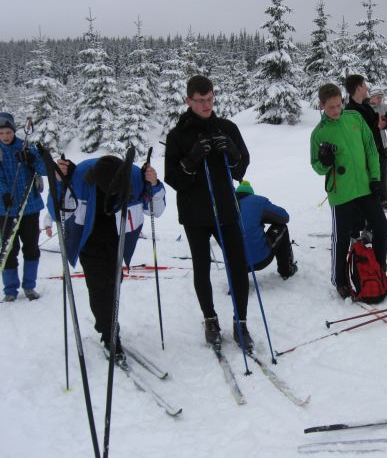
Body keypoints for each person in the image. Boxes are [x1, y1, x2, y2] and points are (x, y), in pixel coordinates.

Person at [164, 75, 252, 350]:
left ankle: (241, 322)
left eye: (210, 99)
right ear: (188, 101)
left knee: (237, 264)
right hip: (195, 212)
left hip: (225, 207)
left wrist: (234, 154)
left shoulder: (227, 127)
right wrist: (190, 162)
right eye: (200, 101)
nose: (206, 105)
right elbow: (173, 179)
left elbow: (241, 169)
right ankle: (210, 319)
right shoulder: (177, 135)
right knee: (201, 266)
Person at [51, 155, 165, 358]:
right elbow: (55, 211)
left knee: (113, 283)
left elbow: (156, 211)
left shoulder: (135, 176)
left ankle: (109, 322)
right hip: (89, 238)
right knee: (99, 287)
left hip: (117, 239)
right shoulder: (80, 176)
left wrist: (154, 184)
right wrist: (58, 184)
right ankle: (109, 333)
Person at [310, 83, 387, 299]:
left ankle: (379, 270)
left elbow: (371, 148)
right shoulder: (319, 133)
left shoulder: (354, 118)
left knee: (382, 229)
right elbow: (316, 166)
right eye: (331, 108)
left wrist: (375, 178)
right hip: (341, 192)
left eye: (338, 105)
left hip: (365, 187)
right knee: (341, 238)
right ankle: (340, 280)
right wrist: (325, 162)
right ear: (322, 106)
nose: (336, 111)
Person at [0, 112, 46, 302]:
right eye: (1, 133)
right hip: (5, 209)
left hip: (29, 207)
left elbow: (44, 170)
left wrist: (31, 159)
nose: (5, 136)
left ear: (14, 130)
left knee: (31, 247)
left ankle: (29, 286)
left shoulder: (26, 147)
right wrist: (4, 193)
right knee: (8, 249)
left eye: (8, 132)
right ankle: (10, 289)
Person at [344, 75, 387, 209]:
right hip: (365, 159)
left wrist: (384, 120)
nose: (367, 88)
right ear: (358, 88)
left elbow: (375, 124)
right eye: (364, 86)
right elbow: (356, 138)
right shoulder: (350, 111)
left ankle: (380, 202)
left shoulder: (365, 106)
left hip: (377, 151)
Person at [235, 180, 297, 279]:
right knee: (282, 227)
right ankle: (286, 270)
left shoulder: (226, 205)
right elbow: (284, 217)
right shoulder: (257, 202)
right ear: (251, 193)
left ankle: (237, 280)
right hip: (260, 259)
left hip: (235, 264)